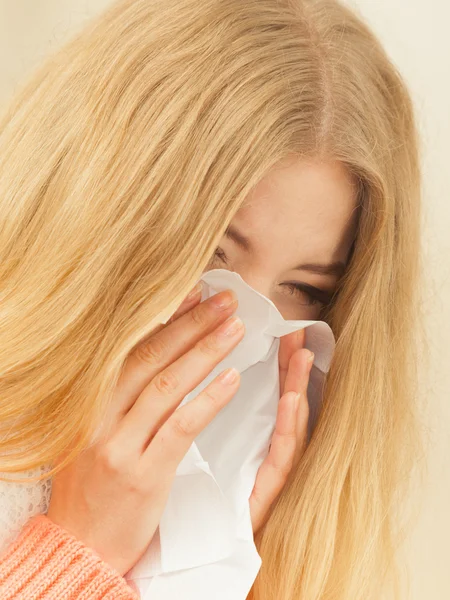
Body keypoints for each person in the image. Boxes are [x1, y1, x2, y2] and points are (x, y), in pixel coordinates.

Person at [0, 0, 425, 598]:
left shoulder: (267, 511)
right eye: (212, 254)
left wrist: (200, 576)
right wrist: (76, 556)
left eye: (302, 288)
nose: (242, 330)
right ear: (96, 211)